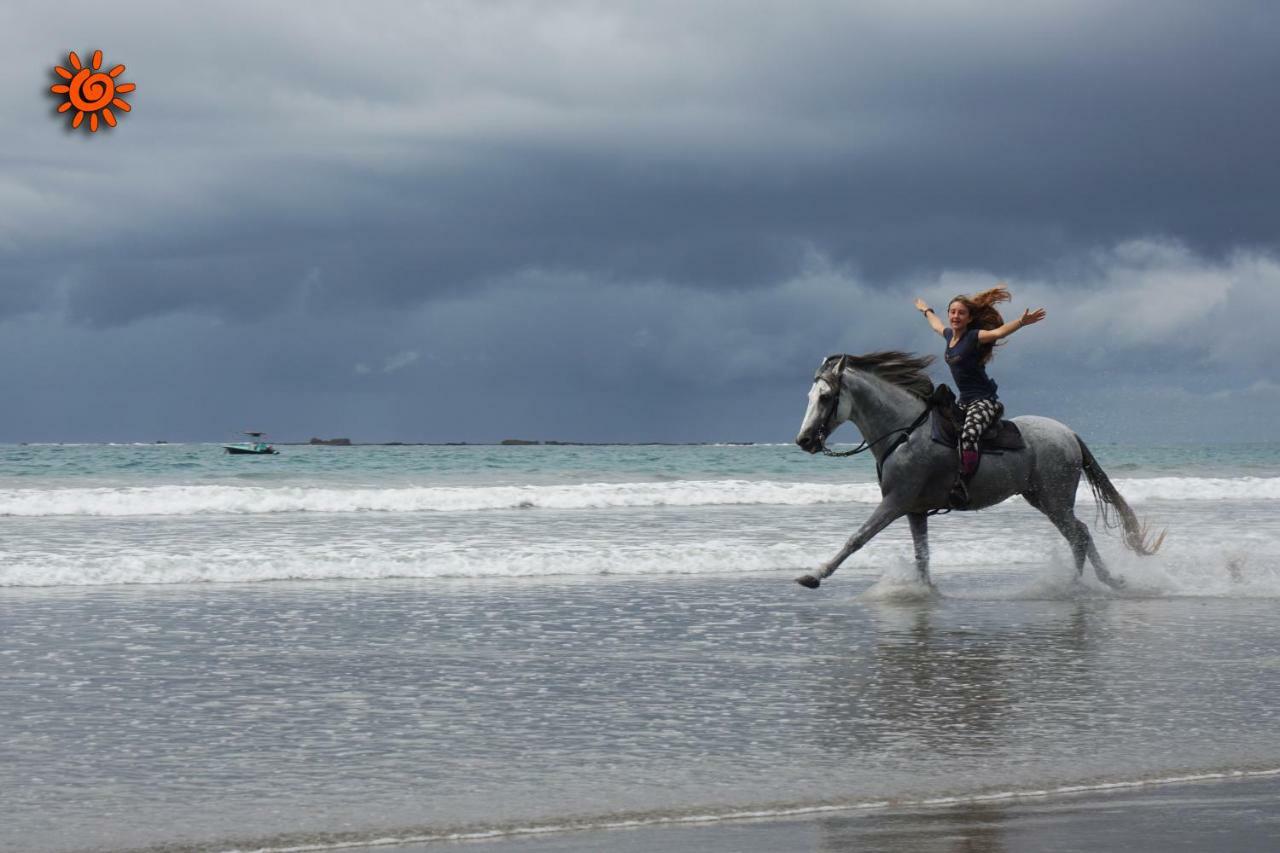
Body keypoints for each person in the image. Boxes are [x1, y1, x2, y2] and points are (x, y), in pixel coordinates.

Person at [914, 285, 1045, 507]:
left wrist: (1021, 322)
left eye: (961, 313)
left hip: (984, 401)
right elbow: (936, 326)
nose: (955, 316)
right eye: (953, 312)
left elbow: (998, 333)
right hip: (963, 402)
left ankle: (963, 483)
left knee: (968, 436)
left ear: (969, 318)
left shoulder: (974, 337)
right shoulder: (948, 336)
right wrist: (926, 310)